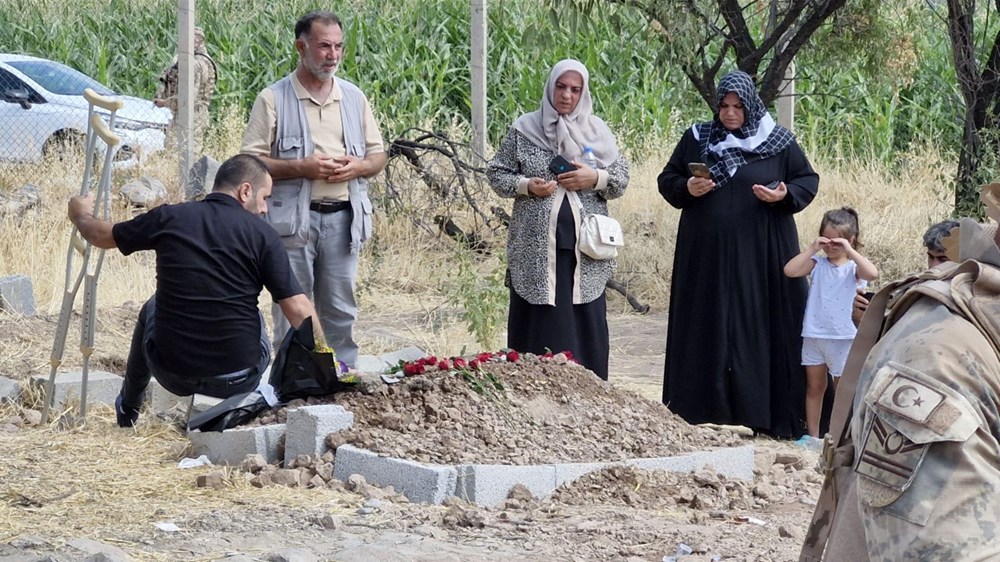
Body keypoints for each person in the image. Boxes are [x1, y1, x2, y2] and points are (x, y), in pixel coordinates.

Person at [67, 154, 321, 427]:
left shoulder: (169, 217)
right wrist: (330, 365)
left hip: (172, 374)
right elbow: (298, 310)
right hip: (238, 380)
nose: (264, 208)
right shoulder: (263, 235)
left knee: (152, 305)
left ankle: (128, 408)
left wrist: (79, 214)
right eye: (265, 197)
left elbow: (101, 236)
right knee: (252, 313)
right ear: (245, 191)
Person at [657, 70, 819, 437]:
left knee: (760, 325)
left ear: (751, 107)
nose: (730, 113)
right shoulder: (697, 139)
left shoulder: (777, 141)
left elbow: (807, 181)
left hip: (761, 255)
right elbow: (667, 180)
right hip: (706, 256)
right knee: (706, 323)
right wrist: (688, 187)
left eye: (738, 107)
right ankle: (697, 409)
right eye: (725, 106)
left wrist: (783, 195)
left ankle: (765, 414)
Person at [240, 11, 387, 369]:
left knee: (340, 308)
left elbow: (378, 156)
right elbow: (249, 162)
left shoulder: (353, 97)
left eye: (338, 46)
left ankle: (342, 378)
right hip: (291, 224)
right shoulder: (273, 98)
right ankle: (293, 382)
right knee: (292, 307)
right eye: (324, 46)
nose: (332, 55)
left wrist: (358, 167)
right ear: (301, 47)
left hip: (343, 220)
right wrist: (301, 168)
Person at [486, 59, 629, 381]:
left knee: (584, 320)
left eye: (575, 90)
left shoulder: (598, 132)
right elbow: (496, 174)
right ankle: (534, 388)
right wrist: (527, 186)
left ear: (583, 93)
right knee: (539, 323)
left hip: (586, 251)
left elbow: (620, 180)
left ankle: (589, 390)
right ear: (550, 87)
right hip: (536, 250)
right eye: (561, 87)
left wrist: (595, 178)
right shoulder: (525, 129)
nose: (566, 95)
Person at [783, 207, 878, 447]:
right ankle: (813, 436)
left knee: (842, 389)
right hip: (814, 334)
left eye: (837, 242)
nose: (831, 246)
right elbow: (790, 270)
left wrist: (850, 251)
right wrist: (813, 248)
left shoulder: (853, 268)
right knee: (815, 387)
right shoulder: (818, 263)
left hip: (843, 336)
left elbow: (872, 273)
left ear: (850, 240)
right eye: (827, 240)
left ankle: (840, 436)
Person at [851, 218, 959, 325]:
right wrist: (865, 318)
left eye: (942, 259)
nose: (933, 266)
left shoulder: (966, 293)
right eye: (930, 257)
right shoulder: (914, 288)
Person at [153, 26, 217, 154]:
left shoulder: (195, 64)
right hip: (192, 114)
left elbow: (188, 98)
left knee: (183, 153)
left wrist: (165, 103)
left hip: (191, 115)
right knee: (181, 151)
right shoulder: (200, 60)